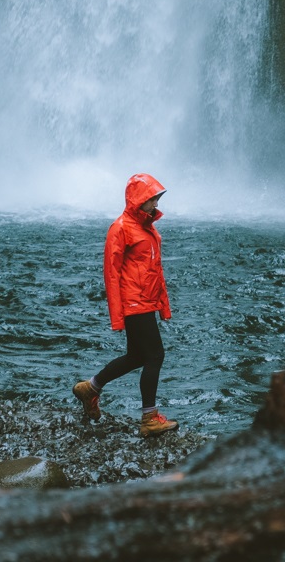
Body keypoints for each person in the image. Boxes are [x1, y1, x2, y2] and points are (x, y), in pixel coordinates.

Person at [73, 173, 178, 437]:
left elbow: (156, 270)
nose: (155, 204)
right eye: (150, 199)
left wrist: (163, 306)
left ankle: (91, 388)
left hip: (146, 301)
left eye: (156, 198)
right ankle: (149, 419)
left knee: (137, 356)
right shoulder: (120, 228)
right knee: (155, 355)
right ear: (137, 200)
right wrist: (117, 317)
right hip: (134, 303)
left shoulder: (148, 228)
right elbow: (111, 274)